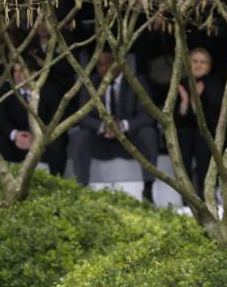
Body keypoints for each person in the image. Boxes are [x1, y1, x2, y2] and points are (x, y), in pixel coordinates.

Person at [67, 49, 159, 202]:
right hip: (102, 141)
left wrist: (122, 125)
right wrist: (104, 126)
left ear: (119, 64)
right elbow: (82, 117)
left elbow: (148, 116)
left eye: (108, 63)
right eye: (100, 65)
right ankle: (80, 191)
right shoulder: (91, 84)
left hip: (131, 142)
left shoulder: (136, 82)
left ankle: (148, 190)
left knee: (148, 133)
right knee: (79, 137)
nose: (104, 68)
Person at [175, 47, 224, 192]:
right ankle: (188, 194)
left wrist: (195, 103)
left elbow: (214, 117)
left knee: (202, 139)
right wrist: (184, 102)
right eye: (194, 61)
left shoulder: (214, 84)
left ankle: (206, 191)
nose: (198, 65)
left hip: (206, 131)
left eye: (202, 62)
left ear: (208, 66)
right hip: (184, 131)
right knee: (183, 135)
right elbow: (175, 119)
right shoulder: (180, 84)